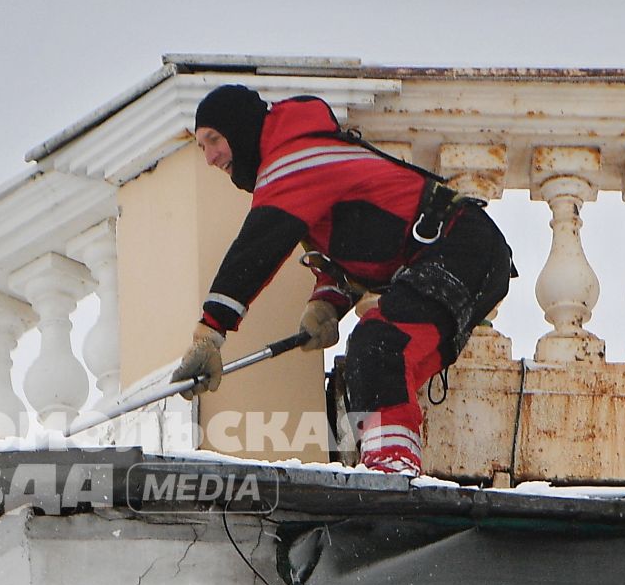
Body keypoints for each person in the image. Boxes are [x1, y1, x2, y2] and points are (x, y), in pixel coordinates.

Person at [173, 84, 514, 476]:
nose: (211, 158)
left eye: (214, 140)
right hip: (465, 253)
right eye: (201, 147)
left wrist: (209, 332)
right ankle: (388, 457)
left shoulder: (296, 157)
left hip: (460, 245)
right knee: (379, 357)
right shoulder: (304, 161)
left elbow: (257, 247)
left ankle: (392, 468)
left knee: (381, 343)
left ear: (240, 128)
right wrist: (327, 303)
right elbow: (358, 246)